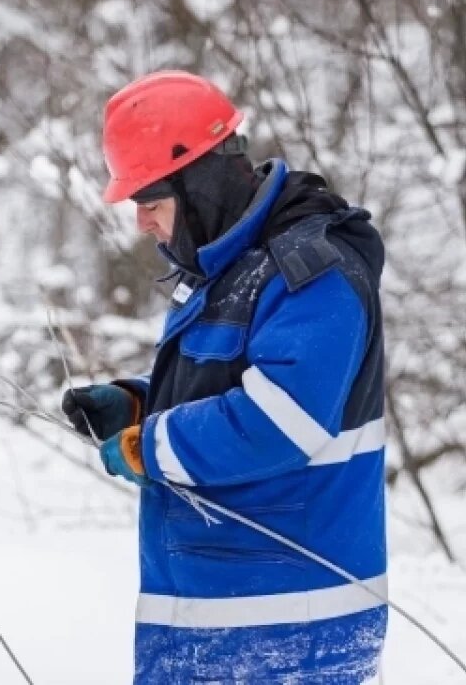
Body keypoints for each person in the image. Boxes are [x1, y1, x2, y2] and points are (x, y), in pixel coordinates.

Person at [61, 70, 388, 684]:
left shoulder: (312, 275)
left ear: (201, 184)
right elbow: (228, 382)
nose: (143, 224)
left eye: (151, 203)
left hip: (288, 635)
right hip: (224, 620)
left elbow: (276, 422)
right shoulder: (234, 269)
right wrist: (138, 406)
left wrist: (148, 445)